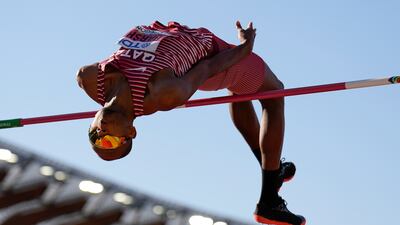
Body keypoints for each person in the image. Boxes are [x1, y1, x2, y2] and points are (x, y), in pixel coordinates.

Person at [76, 20, 306, 225]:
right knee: (274, 93)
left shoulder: (90, 79)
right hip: (210, 55)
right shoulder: (162, 94)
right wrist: (245, 47)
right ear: (131, 131)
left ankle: (271, 170)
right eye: (109, 142)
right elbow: (207, 68)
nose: (102, 133)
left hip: (172, 35)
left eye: (95, 137)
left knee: (240, 90)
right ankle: (269, 201)